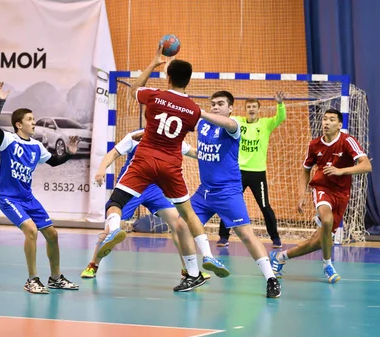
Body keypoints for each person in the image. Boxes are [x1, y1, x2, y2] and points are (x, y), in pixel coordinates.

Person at [95, 47, 227, 293]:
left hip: (145, 158)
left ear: (168, 77)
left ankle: (114, 230)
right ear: (188, 80)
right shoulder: (194, 110)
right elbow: (197, 126)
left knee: (116, 201)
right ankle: (206, 256)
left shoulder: (154, 96)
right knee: (187, 215)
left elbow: (134, 90)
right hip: (171, 165)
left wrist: (154, 63)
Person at [177, 91, 281, 297]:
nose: (216, 107)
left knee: (245, 234)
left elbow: (228, 125)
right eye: (213, 103)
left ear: (230, 108)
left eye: (220, 104)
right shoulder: (203, 125)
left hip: (228, 192)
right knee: (181, 226)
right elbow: (195, 139)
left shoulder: (233, 126)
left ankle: (271, 279)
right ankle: (192, 275)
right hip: (204, 191)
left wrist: (201, 112)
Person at [80, 128, 210, 281]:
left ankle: (188, 269)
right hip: (132, 186)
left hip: (154, 189)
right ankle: (93, 264)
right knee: (112, 229)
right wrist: (101, 170)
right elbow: (113, 153)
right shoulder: (135, 137)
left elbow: (193, 152)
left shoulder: (170, 137)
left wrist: (215, 153)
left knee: (178, 223)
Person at [0, 82, 80, 294]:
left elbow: (54, 161)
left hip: (28, 198)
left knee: (53, 234)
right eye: (29, 119)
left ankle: (55, 278)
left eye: (33, 119)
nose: (34, 122)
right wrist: (1, 102)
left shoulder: (37, 147)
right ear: (19, 125)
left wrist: (70, 154)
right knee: (30, 230)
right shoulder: (8, 141)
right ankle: (31, 279)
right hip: (8, 198)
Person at [269, 109, 372, 283]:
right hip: (321, 188)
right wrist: (302, 195)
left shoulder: (348, 141)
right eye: (324, 119)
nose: (326, 122)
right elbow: (305, 171)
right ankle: (327, 265)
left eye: (331, 120)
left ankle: (280, 257)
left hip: (342, 194)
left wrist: (341, 171)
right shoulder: (314, 145)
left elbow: (366, 165)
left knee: (318, 242)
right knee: (326, 220)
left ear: (340, 125)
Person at [217, 93, 286, 248]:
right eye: (249, 107)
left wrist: (280, 104)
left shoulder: (265, 124)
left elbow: (280, 117)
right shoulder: (238, 122)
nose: (251, 109)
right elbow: (224, 120)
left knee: (264, 206)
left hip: (258, 173)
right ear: (245, 109)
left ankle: (275, 238)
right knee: (230, 203)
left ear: (258, 109)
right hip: (238, 172)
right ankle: (223, 237)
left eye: (254, 107)